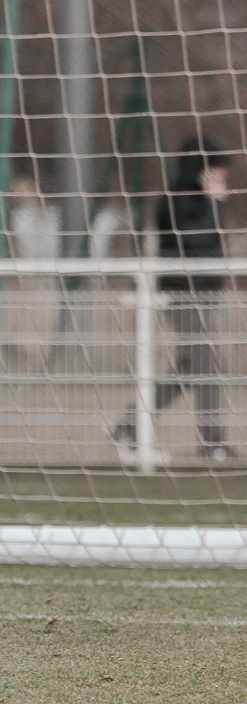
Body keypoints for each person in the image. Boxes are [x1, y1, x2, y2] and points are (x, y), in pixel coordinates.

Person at [108, 136, 234, 463]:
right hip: (182, 292)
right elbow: (195, 239)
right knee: (205, 364)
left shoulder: (201, 200)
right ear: (202, 170)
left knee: (192, 366)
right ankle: (213, 444)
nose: (223, 179)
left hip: (205, 292)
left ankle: (127, 425)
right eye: (217, 171)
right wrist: (213, 203)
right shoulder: (178, 199)